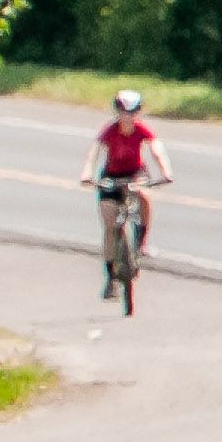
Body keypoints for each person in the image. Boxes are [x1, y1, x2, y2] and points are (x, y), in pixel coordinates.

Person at [81, 89, 173, 291]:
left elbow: (156, 149)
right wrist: (87, 173)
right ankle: (110, 276)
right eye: (123, 111)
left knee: (144, 195)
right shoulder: (110, 130)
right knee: (109, 224)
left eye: (132, 112)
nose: (127, 116)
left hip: (134, 174)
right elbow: (94, 152)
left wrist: (165, 171)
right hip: (111, 175)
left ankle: (142, 242)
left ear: (138, 112)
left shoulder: (141, 129)